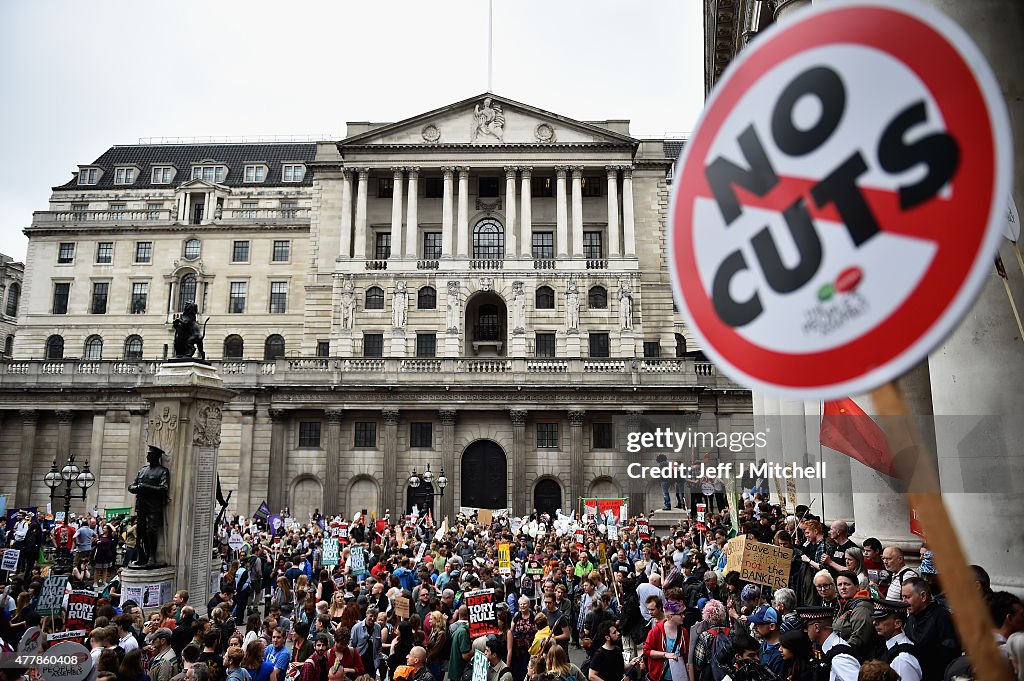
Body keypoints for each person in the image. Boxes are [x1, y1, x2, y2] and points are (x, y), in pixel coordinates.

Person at [900, 578, 960, 681]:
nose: (904, 602)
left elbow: (950, 653)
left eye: (908, 597)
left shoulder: (941, 617)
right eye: (902, 597)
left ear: (923, 596)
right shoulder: (911, 617)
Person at [128, 445, 171, 567]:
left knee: (151, 531)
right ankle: (142, 556)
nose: (147, 456)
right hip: (141, 505)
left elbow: (163, 489)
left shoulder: (162, 471)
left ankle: (152, 556)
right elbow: (131, 486)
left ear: (155, 456)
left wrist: (145, 487)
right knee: (140, 532)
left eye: (149, 454)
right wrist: (138, 488)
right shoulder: (142, 470)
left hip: (153, 506)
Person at [795, 607, 859, 681]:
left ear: (817, 627)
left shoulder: (840, 658)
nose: (805, 631)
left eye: (806, 627)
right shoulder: (828, 650)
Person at [869, 600, 920, 681]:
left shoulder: (902, 659)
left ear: (897, 623)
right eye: (875, 619)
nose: (874, 623)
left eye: (881, 619)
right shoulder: (886, 645)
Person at [643, 599, 688, 681]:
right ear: (670, 616)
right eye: (680, 614)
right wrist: (665, 654)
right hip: (660, 676)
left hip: (679, 676)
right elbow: (646, 651)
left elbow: (686, 655)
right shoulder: (655, 631)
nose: (683, 616)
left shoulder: (684, 632)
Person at [748, 605, 783, 677]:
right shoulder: (764, 644)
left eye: (758, 624)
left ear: (772, 626)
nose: (754, 627)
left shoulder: (782, 654)